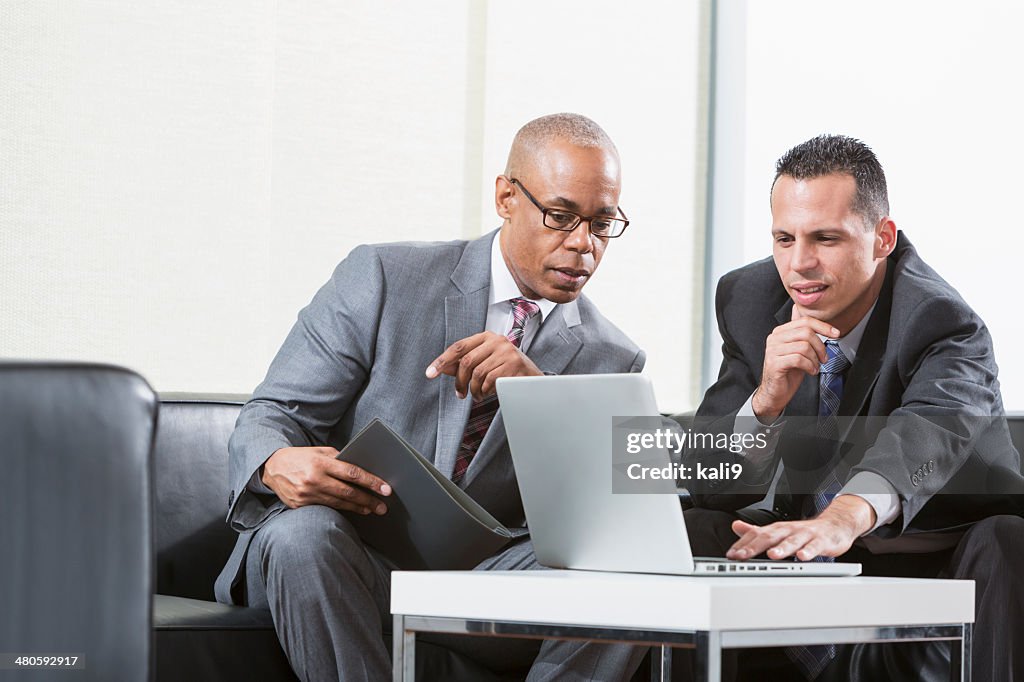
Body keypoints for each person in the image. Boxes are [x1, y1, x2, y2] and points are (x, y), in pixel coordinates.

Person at [213, 113, 647, 681]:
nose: (583, 245)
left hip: (484, 578)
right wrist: (276, 463)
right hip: (347, 550)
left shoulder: (614, 357)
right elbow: (272, 412)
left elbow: (612, 517)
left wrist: (538, 398)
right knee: (302, 534)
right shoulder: (384, 277)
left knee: (631, 567)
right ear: (506, 196)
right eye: (561, 217)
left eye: (602, 223)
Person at [683, 134, 1024, 681]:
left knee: (1008, 540)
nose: (799, 265)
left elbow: (930, 428)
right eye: (783, 238)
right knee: (695, 526)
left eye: (826, 238)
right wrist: (764, 402)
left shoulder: (941, 320)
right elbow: (704, 479)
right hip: (810, 559)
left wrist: (843, 517)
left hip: (925, 562)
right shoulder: (749, 299)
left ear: (882, 238)